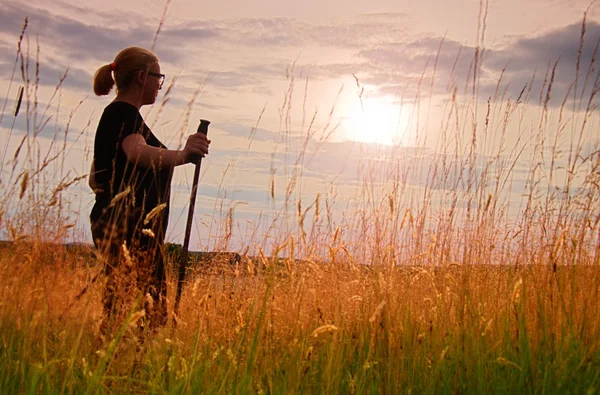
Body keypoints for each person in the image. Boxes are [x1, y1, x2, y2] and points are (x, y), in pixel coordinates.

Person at [88, 47, 210, 337]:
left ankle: (114, 365)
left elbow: (95, 178)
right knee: (147, 312)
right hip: (129, 229)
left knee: (120, 307)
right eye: (158, 77)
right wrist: (182, 155)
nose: (159, 83)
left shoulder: (118, 116)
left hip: (117, 224)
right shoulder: (122, 113)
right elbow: (136, 152)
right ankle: (131, 371)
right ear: (142, 77)